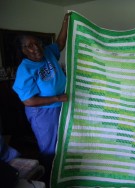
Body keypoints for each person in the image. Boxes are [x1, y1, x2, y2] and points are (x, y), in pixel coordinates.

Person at [12, 12, 71, 186]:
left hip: (60, 104)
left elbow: (60, 43)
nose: (35, 48)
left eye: (36, 43)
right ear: (22, 50)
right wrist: (58, 97)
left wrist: (66, 22)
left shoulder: (47, 53)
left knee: (62, 142)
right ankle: (51, 180)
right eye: (28, 46)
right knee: (50, 149)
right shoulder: (26, 69)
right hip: (43, 113)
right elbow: (28, 100)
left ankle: (62, 173)